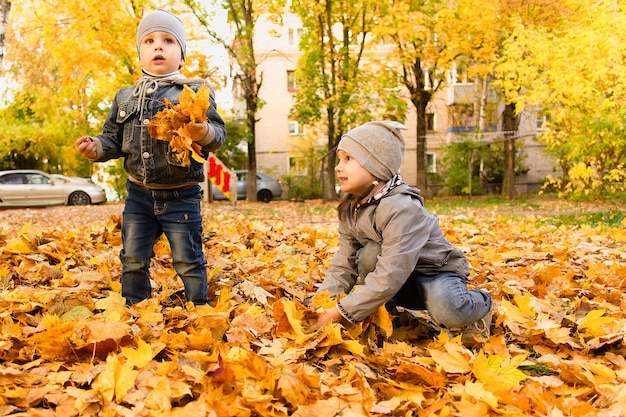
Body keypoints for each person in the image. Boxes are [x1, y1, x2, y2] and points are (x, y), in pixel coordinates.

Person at [75, 9, 226, 306]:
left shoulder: (193, 92)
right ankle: (135, 307)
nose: (158, 46)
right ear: (140, 53)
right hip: (138, 196)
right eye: (150, 41)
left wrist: (202, 131)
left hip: (181, 195)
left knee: (188, 258)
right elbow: (112, 139)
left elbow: (218, 135)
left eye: (168, 40)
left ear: (181, 56)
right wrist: (96, 147)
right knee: (132, 256)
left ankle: (200, 308)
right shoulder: (124, 97)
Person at [308, 121, 492, 347]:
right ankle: (391, 314)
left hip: (435, 273)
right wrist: (318, 303)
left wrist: (339, 312)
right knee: (369, 255)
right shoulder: (352, 208)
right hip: (402, 281)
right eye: (339, 159)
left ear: (376, 167)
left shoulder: (401, 207)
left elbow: (391, 273)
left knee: (449, 311)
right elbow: (344, 263)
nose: (338, 167)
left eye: (348, 159)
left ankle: (482, 305)